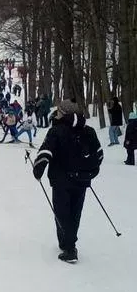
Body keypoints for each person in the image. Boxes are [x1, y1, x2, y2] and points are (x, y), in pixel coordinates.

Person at [32, 100, 103, 263]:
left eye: (58, 111)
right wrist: (91, 171)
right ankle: (68, 243)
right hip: (82, 180)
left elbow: (45, 152)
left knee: (62, 213)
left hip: (61, 180)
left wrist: (38, 170)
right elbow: (99, 154)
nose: (56, 114)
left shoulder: (56, 131)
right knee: (75, 213)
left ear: (62, 113)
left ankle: (69, 248)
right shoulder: (88, 131)